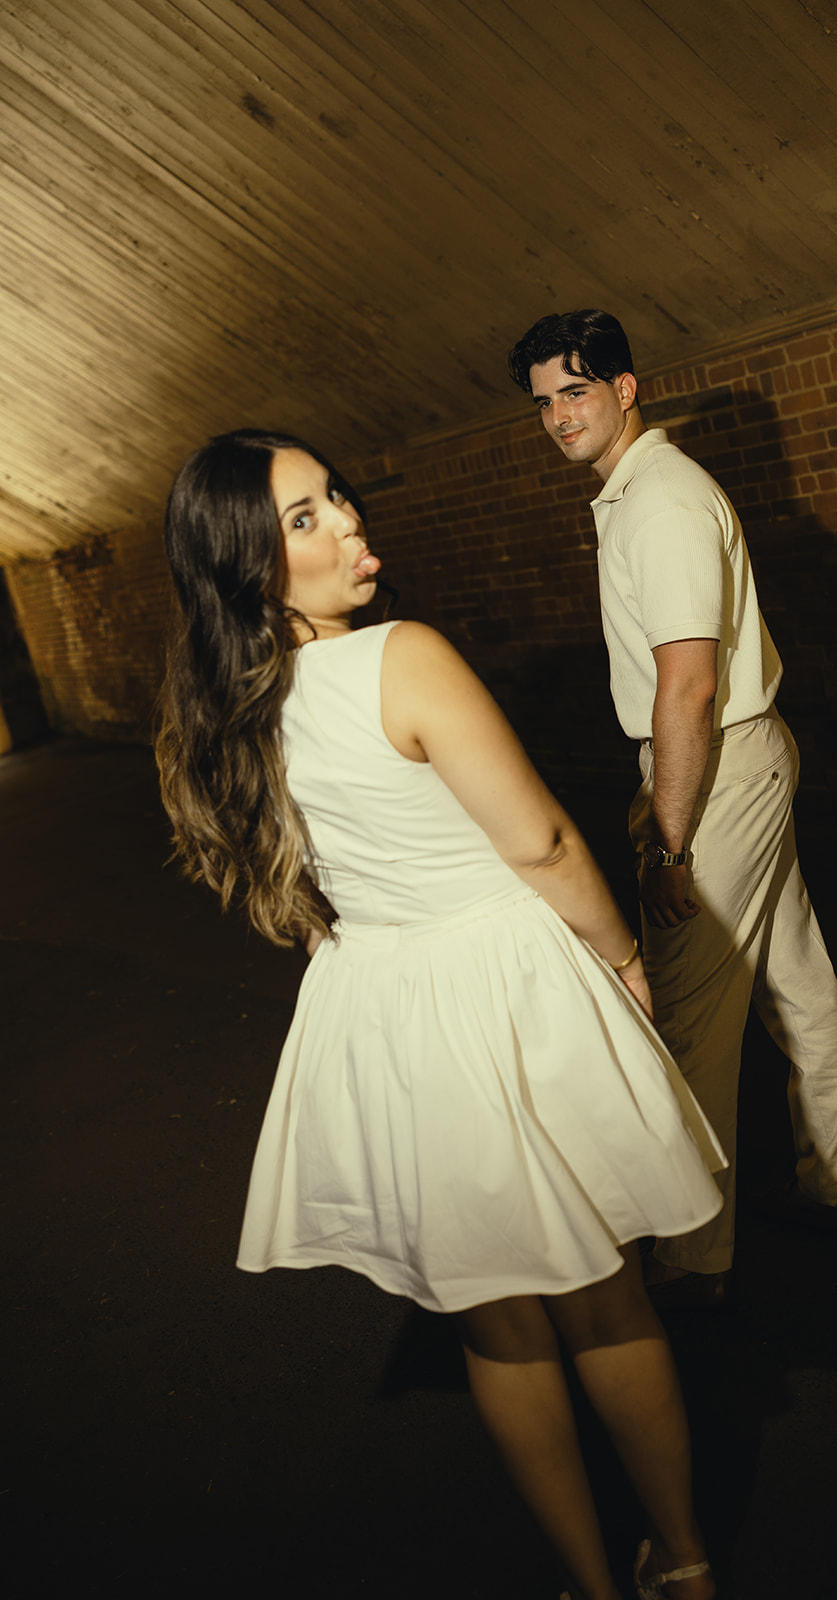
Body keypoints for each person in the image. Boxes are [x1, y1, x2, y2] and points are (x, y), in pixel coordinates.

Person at [155, 427, 726, 1600]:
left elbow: (308, 901)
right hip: (498, 986)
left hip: (382, 1006)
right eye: (302, 519)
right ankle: (684, 1561)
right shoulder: (402, 657)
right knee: (601, 1295)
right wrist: (621, 960)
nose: (346, 523)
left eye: (336, 495)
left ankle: (589, 1583)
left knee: (495, 1323)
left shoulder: (236, 711)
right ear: (253, 566)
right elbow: (545, 840)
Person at [506, 311, 837, 1309]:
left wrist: (669, 844)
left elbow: (687, 687)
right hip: (737, 757)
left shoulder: (659, 503)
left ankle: (692, 1261)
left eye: (574, 391)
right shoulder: (638, 491)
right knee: (793, 981)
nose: (557, 416)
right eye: (542, 401)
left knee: (689, 1017)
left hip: (710, 766)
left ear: (626, 389)